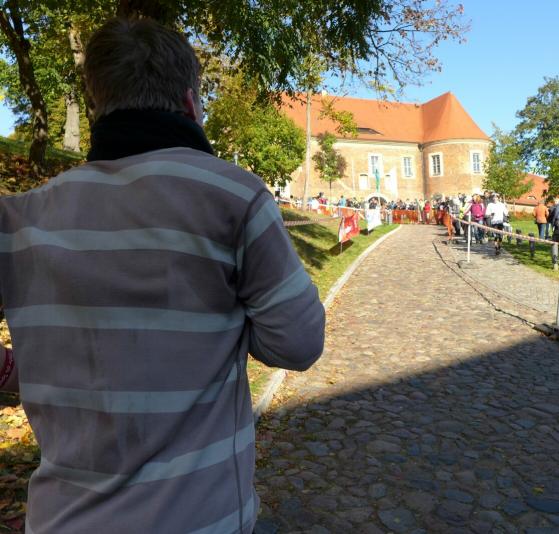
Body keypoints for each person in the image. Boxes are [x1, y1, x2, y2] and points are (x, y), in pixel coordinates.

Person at [0, 17, 325, 533]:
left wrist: (22, 370)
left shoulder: (19, 218)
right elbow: (299, 345)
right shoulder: (233, 196)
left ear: (97, 104)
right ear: (191, 103)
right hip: (200, 519)